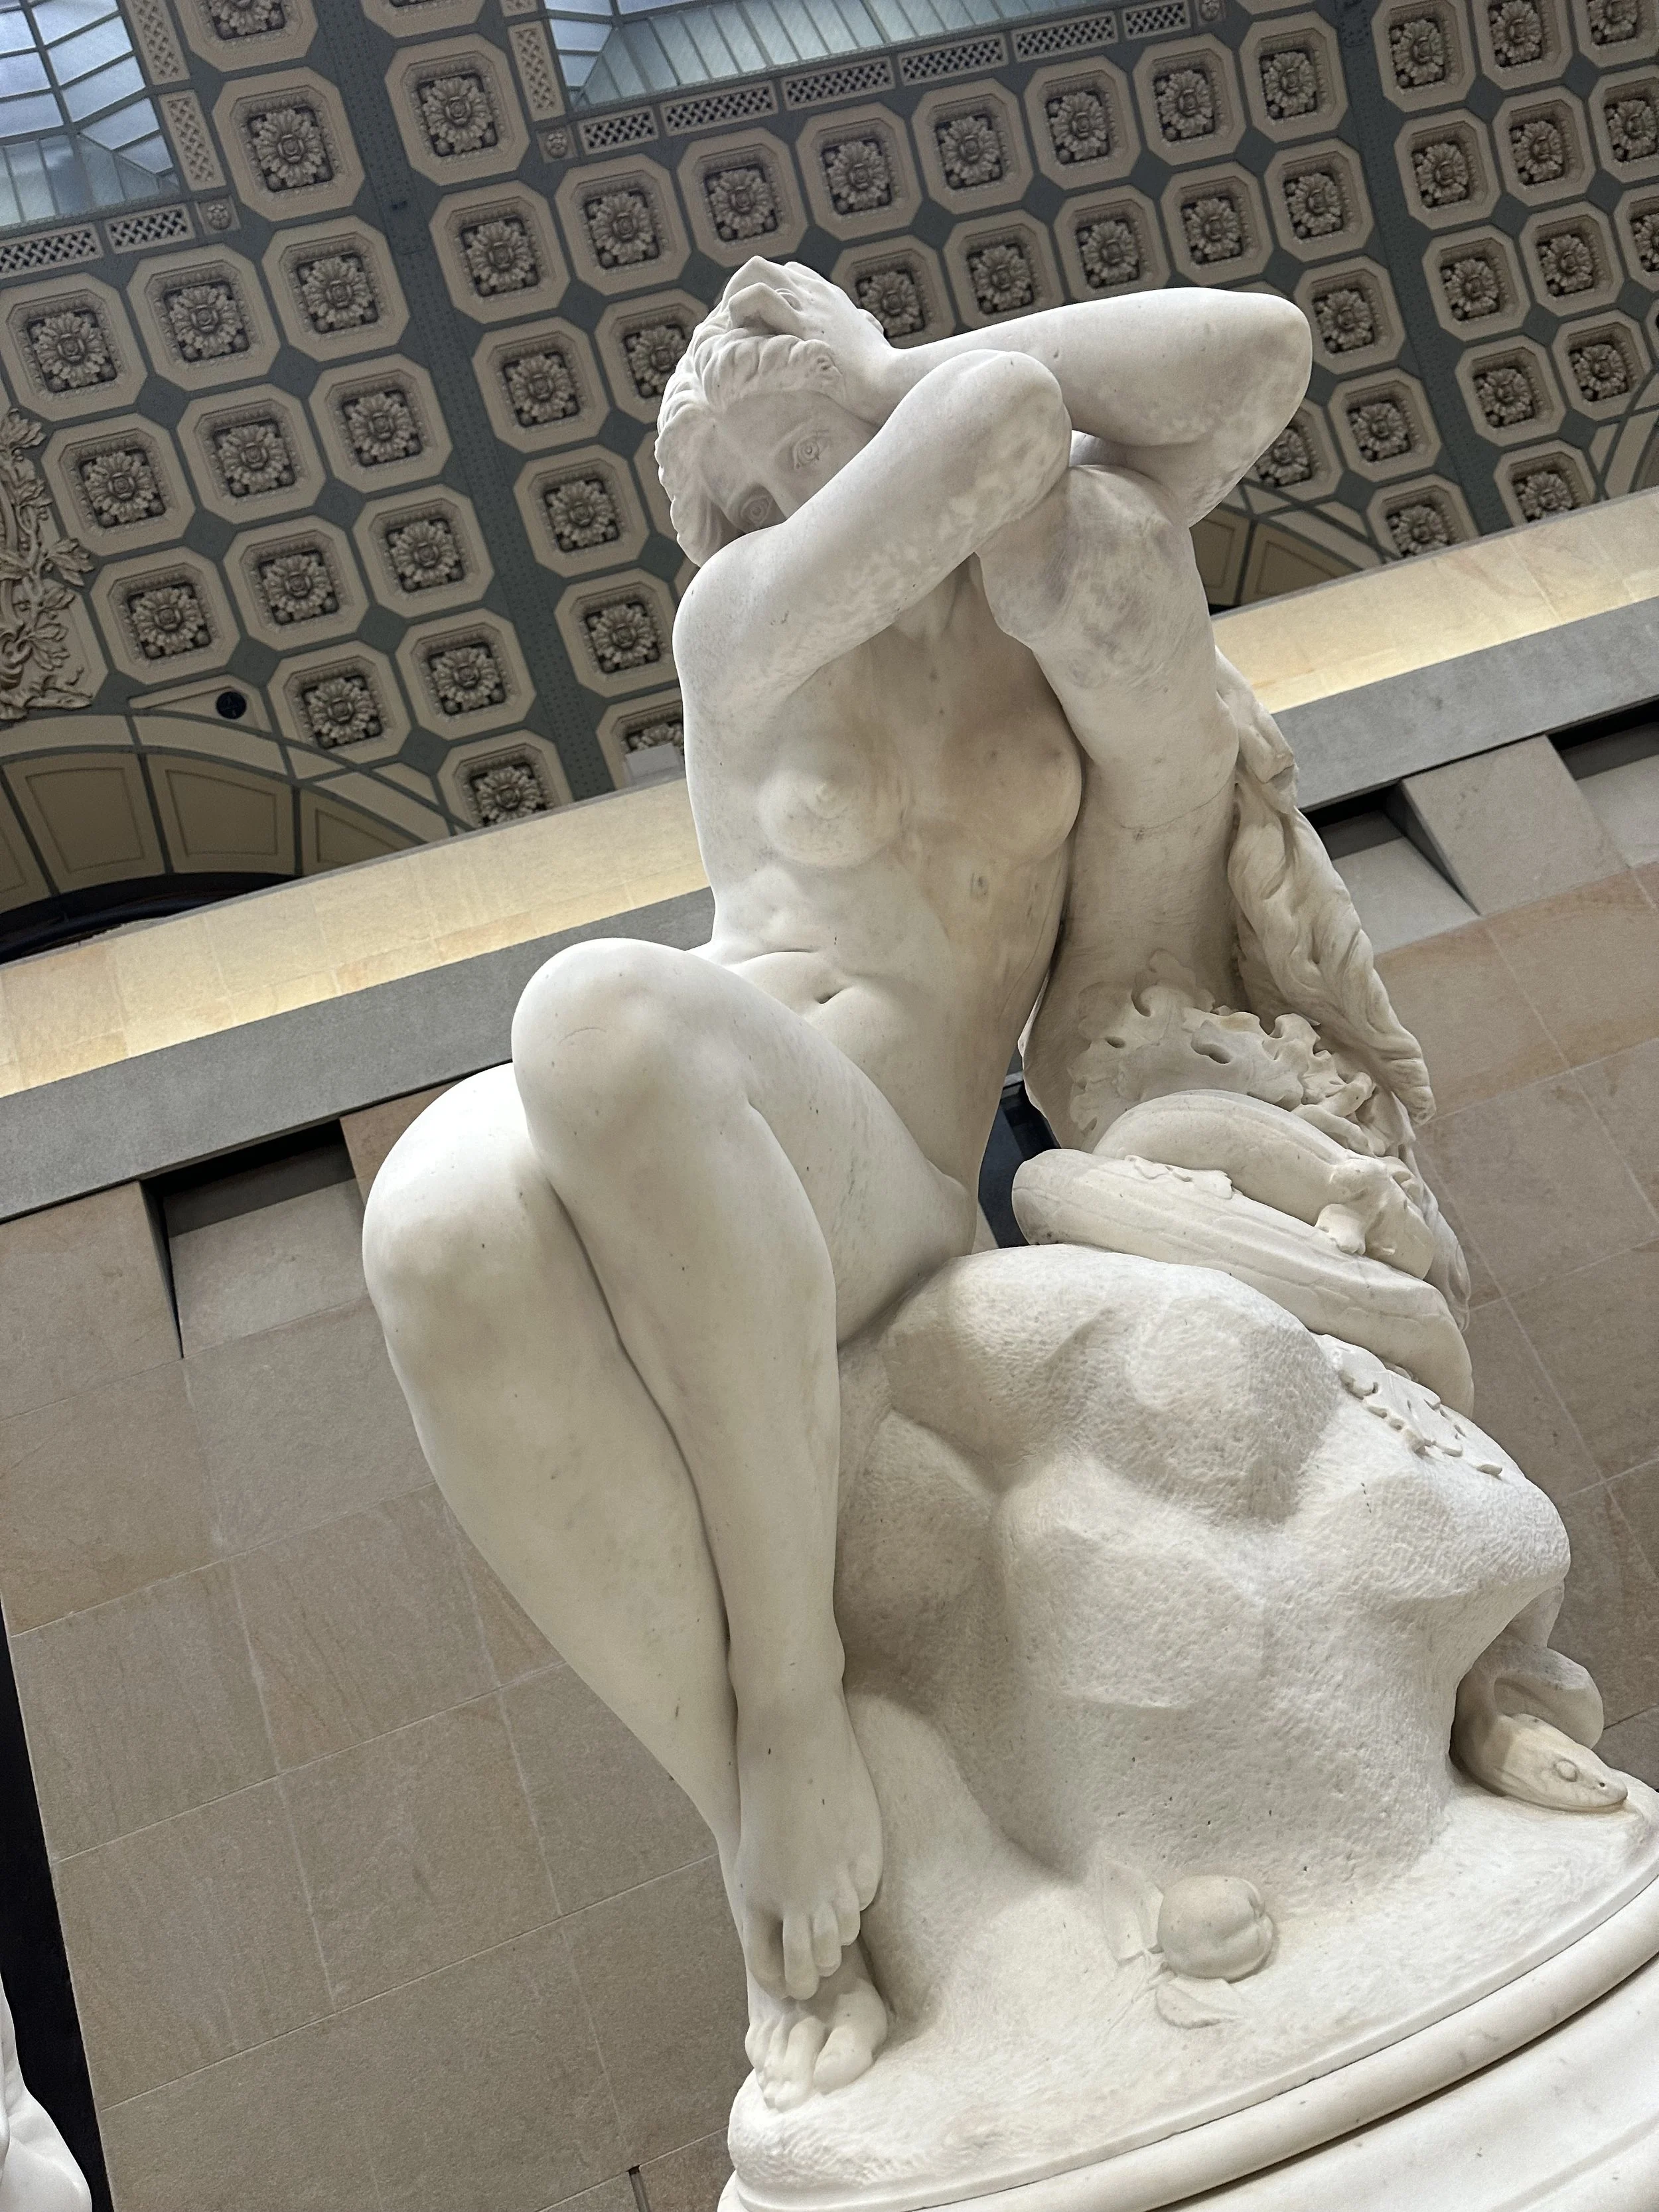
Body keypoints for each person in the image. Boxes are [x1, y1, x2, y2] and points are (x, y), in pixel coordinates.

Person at [363, 257, 1322, 2103]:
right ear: (710, 519)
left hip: (881, 1169)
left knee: (589, 1014)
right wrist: (883, 387)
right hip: (722, 1085)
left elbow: (1245, 355)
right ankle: (765, 1801)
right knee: (431, 1217)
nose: (777, 496)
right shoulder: (738, 621)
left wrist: (875, 358)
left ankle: (795, 1710)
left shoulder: (1022, 555)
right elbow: (991, 426)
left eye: (808, 421)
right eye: (736, 469)